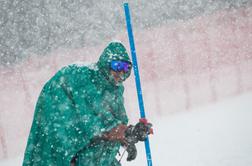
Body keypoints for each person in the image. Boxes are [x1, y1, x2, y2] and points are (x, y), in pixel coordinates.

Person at [23, 41, 152, 166]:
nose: (121, 72)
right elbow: (96, 122)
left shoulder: (113, 89)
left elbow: (112, 122)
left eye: (126, 68)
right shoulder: (86, 80)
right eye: (117, 65)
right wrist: (128, 132)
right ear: (106, 63)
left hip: (91, 154)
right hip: (66, 143)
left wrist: (125, 138)